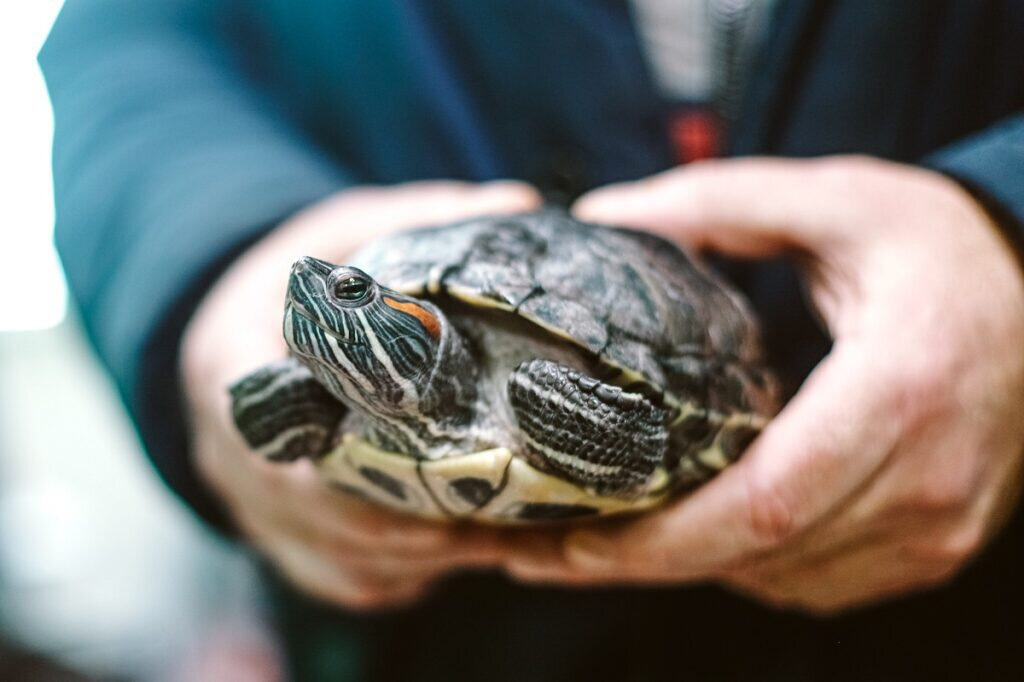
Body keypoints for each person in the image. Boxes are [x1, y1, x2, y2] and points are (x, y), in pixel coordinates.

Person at [41, 1, 1024, 679]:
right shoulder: (348, 375)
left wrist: (1004, 223)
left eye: (344, 297)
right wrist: (209, 267)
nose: (322, 304)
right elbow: (127, 34)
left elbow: (644, 419)